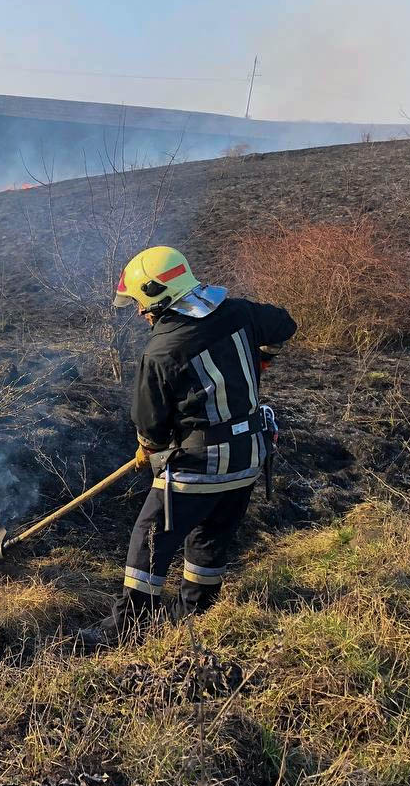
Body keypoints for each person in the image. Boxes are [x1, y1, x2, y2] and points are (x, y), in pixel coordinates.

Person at [111, 245, 296, 622]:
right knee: (211, 530)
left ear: (155, 297)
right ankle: (195, 610)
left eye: (138, 302)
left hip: (202, 463)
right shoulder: (241, 312)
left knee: (149, 536)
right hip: (249, 458)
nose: (138, 311)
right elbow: (284, 325)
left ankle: (129, 624)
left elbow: (151, 425)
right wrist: (264, 354)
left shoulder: (162, 351)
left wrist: (148, 448)